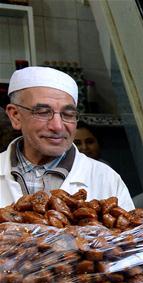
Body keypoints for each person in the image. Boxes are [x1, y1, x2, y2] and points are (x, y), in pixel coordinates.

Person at [0, 66, 132, 208]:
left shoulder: (106, 179)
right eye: (43, 112)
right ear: (15, 116)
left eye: (68, 114)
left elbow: (130, 229)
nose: (57, 126)